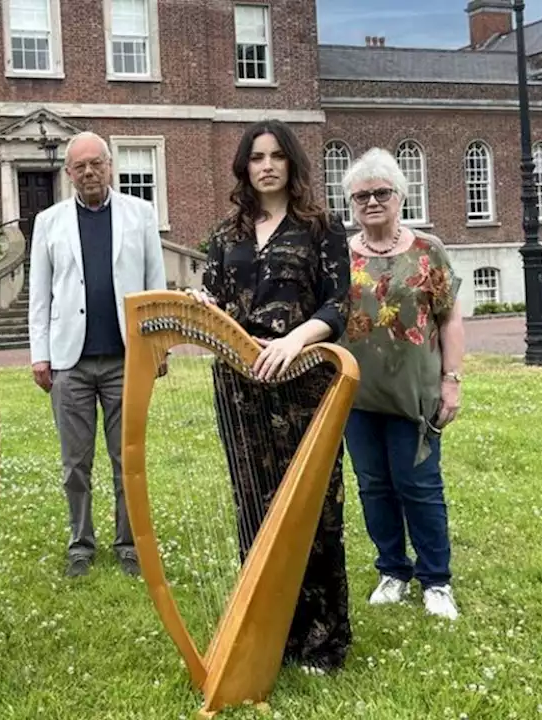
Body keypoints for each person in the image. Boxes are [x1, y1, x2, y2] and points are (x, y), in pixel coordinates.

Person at [187, 119, 352, 674]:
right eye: (256, 157)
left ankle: (324, 639)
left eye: (277, 156)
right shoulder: (226, 233)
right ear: (244, 166)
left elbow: (337, 307)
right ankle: (271, 631)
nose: (266, 165)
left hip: (303, 384)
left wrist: (294, 340)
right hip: (238, 387)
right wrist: (198, 305)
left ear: (292, 164)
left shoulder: (320, 228)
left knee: (314, 511)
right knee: (252, 506)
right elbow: (213, 299)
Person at [28, 130, 168, 578]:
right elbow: (39, 296)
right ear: (68, 173)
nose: (89, 171)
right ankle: (80, 545)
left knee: (127, 458)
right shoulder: (48, 222)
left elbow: (154, 284)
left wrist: (158, 347)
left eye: (97, 163)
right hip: (69, 362)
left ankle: (128, 545)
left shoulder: (140, 214)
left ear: (110, 165)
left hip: (126, 359)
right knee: (75, 462)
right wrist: (39, 355)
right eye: (79, 166)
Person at [338, 147, 464, 621]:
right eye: (361, 196)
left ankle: (436, 581)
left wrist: (452, 381)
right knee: (373, 485)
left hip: (416, 395)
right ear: (350, 203)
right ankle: (392, 570)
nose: (372, 202)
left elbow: (449, 319)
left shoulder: (427, 250)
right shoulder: (339, 254)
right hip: (356, 396)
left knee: (420, 485)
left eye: (381, 193)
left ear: (400, 196)